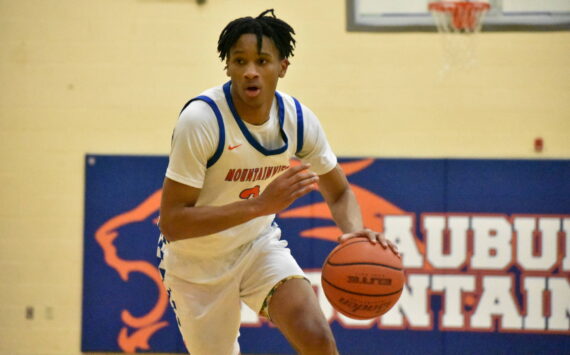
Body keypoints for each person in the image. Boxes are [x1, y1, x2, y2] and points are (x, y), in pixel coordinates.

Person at [157, 9, 399, 355]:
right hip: (197, 263)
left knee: (317, 339)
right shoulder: (202, 120)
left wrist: (353, 232)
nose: (250, 71)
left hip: (256, 246)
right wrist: (260, 206)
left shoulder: (297, 120)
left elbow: (340, 191)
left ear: (282, 66)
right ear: (227, 66)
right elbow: (174, 222)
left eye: (262, 61)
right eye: (239, 61)